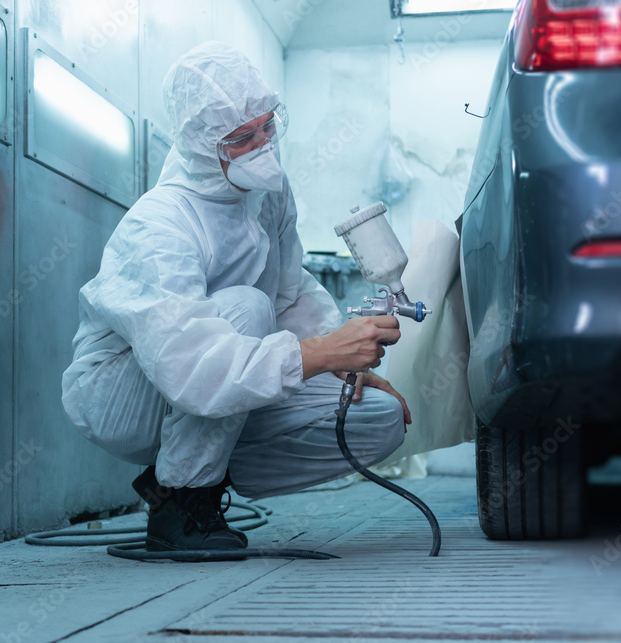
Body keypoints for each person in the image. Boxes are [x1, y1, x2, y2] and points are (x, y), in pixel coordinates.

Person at [62, 41, 410, 553]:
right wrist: (317, 353)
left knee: (376, 417)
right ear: (202, 145)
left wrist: (342, 360)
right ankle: (182, 501)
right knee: (247, 306)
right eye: (241, 138)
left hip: (208, 383)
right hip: (121, 395)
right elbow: (191, 365)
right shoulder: (160, 225)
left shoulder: (270, 192)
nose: (263, 146)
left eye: (268, 126)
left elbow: (290, 293)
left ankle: (204, 471)